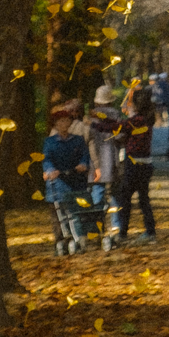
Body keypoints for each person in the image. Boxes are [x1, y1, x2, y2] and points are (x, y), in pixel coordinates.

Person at [42, 101, 94, 254]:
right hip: (57, 182)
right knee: (58, 214)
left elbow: (85, 155)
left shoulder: (77, 140)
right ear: (55, 125)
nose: (64, 124)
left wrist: (83, 164)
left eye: (66, 121)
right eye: (60, 122)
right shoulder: (49, 142)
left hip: (75, 180)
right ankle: (60, 240)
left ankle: (79, 238)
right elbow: (46, 159)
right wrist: (51, 170)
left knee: (75, 212)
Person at [113, 86, 157, 242]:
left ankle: (123, 232)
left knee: (124, 197)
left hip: (134, 164)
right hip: (146, 164)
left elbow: (119, 133)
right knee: (143, 198)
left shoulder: (135, 120)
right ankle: (150, 231)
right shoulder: (146, 119)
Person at [86, 86, 123, 251]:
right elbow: (122, 136)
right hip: (112, 160)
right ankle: (116, 228)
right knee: (115, 197)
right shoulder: (116, 117)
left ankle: (96, 229)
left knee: (97, 196)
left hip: (95, 162)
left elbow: (87, 138)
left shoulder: (91, 119)